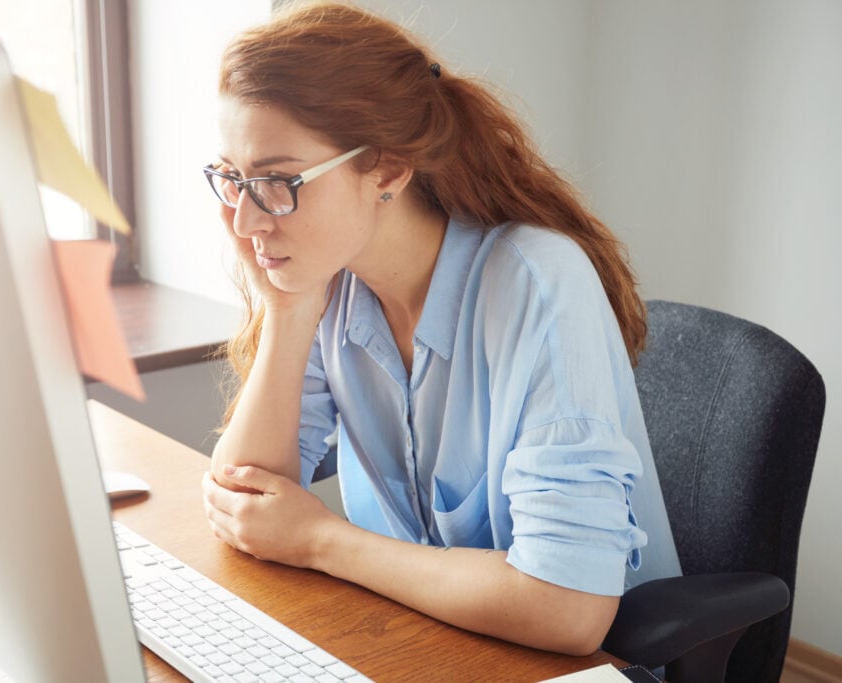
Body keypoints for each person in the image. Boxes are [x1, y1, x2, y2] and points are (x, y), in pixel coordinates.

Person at [200, 0, 681, 657]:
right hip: (420, 639)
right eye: (233, 178)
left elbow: (569, 607)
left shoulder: (536, 287)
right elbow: (243, 503)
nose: (248, 221)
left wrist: (320, 539)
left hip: (575, 664)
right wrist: (286, 311)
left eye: (279, 181)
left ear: (389, 169)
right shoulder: (329, 278)